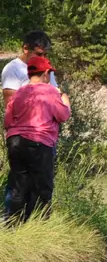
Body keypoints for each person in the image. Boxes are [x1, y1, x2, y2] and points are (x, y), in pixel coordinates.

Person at [4, 56, 70, 223]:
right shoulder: (50, 91)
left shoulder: (19, 93)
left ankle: (14, 226)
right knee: (43, 188)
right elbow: (63, 116)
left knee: (19, 187)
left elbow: (7, 122)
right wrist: (66, 101)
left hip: (15, 143)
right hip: (39, 143)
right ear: (46, 73)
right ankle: (41, 227)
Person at [1, 32, 55, 108]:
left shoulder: (46, 66)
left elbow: (56, 93)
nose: (43, 58)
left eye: (45, 55)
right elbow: (11, 106)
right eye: (39, 54)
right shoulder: (12, 69)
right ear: (26, 49)